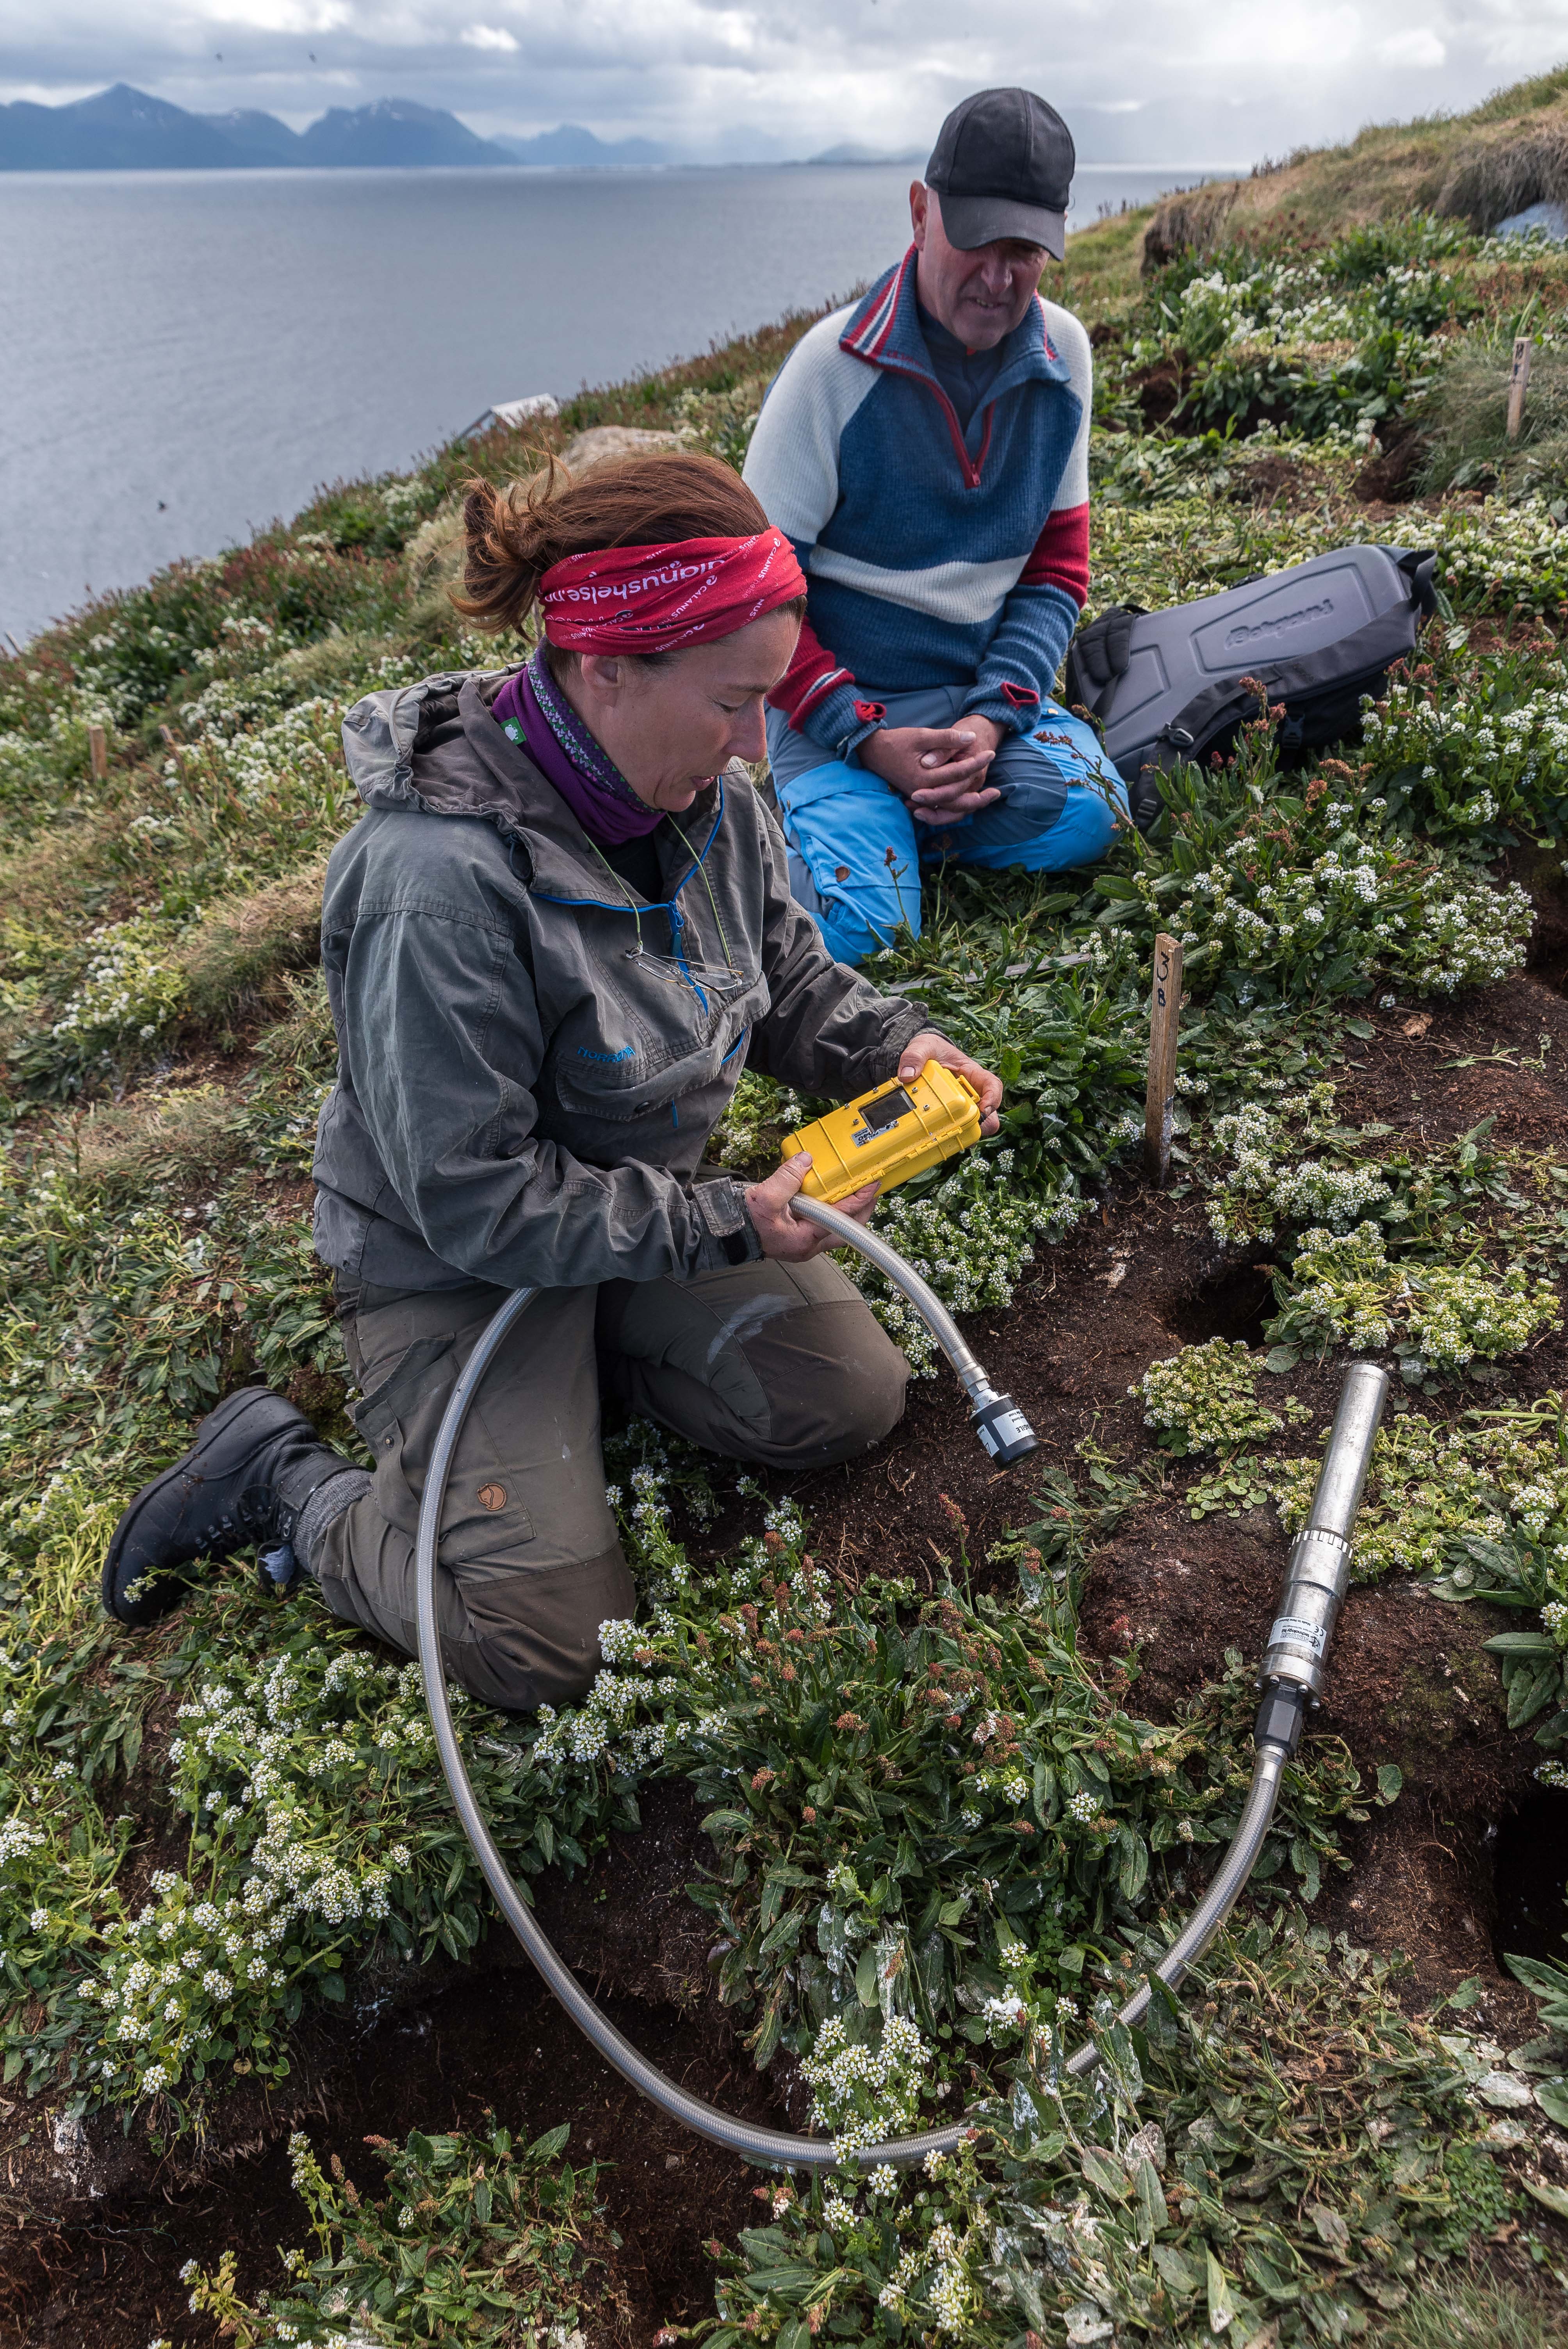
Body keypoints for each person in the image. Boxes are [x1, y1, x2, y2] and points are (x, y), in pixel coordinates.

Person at [100, 453, 1003, 1713]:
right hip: (457, 1268)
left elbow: (786, 977)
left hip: (630, 1220)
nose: (757, 741)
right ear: (606, 667)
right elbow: (477, 1200)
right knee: (548, 1648)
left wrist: (893, 1047)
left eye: (767, 701)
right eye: (733, 702)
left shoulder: (710, 791)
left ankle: (577, 1384)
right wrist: (722, 1223)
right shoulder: (438, 883)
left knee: (847, 1398)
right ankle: (283, 1483)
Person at [742, 86, 1127, 966]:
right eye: (979, 241)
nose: (999, 279)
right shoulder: (828, 371)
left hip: (974, 715)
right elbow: (752, 597)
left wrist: (988, 726)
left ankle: (887, 835)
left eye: (1025, 250)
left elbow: (1055, 574)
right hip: (840, 715)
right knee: (864, 934)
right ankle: (830, 819)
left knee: (1096, 812)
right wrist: (868, 740)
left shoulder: (1065, 355)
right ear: (921, 213)